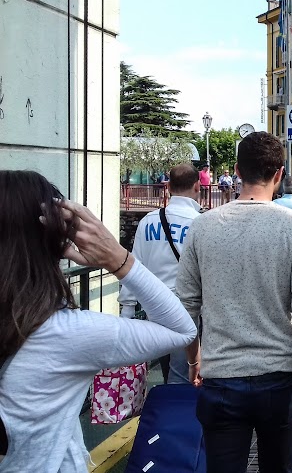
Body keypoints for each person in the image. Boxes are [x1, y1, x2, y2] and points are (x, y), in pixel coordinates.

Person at [0, 171, 196, 472]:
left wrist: (127, 307)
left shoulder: (148, 222)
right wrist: (116, 258)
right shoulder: (65, 333)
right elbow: (181, 329)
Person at [176, 132, 292, 473]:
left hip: (221, 378)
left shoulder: (203, 227)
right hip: (282, 378)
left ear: (236, 170)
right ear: (279, 174)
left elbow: (184, 306)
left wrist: (194, 359)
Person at [118, 162, 202, 384]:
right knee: (181, 373)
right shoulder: (201, 224)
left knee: (167, 369)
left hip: (153, 308)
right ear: (197, 186)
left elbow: (132, 267)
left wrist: (127, 308)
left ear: (168, 187)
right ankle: (179, 414)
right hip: (186, 309)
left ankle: (169, 408)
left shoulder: (148, 221)